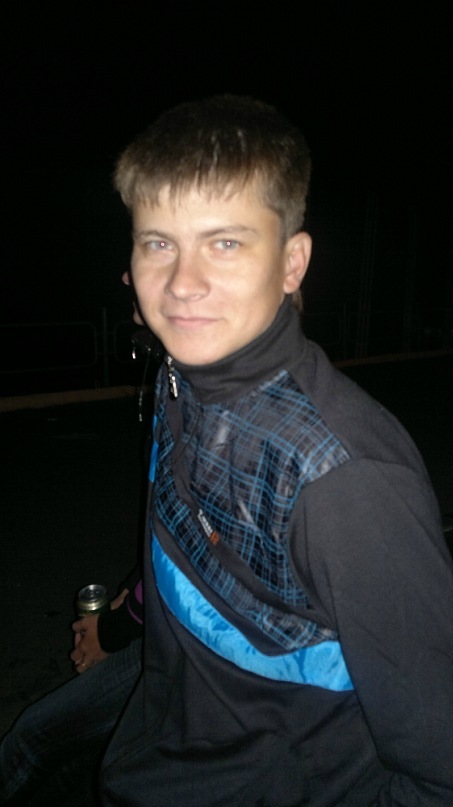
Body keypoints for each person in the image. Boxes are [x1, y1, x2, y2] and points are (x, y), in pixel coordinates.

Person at [96, 94, 453, 806]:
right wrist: (115, 626)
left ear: (292, 263)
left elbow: (438, 765)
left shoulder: (344, 480)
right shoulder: (180, 375)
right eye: (158, 243)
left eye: (225, 243)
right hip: (165, 728)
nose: (182, 283)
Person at [0, 571, 143, 805]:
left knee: (33, 740)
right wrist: (126, 595)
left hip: (181, 641)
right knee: (87, 757)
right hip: (154, 615)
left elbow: (189, 565)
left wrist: (111, 631)